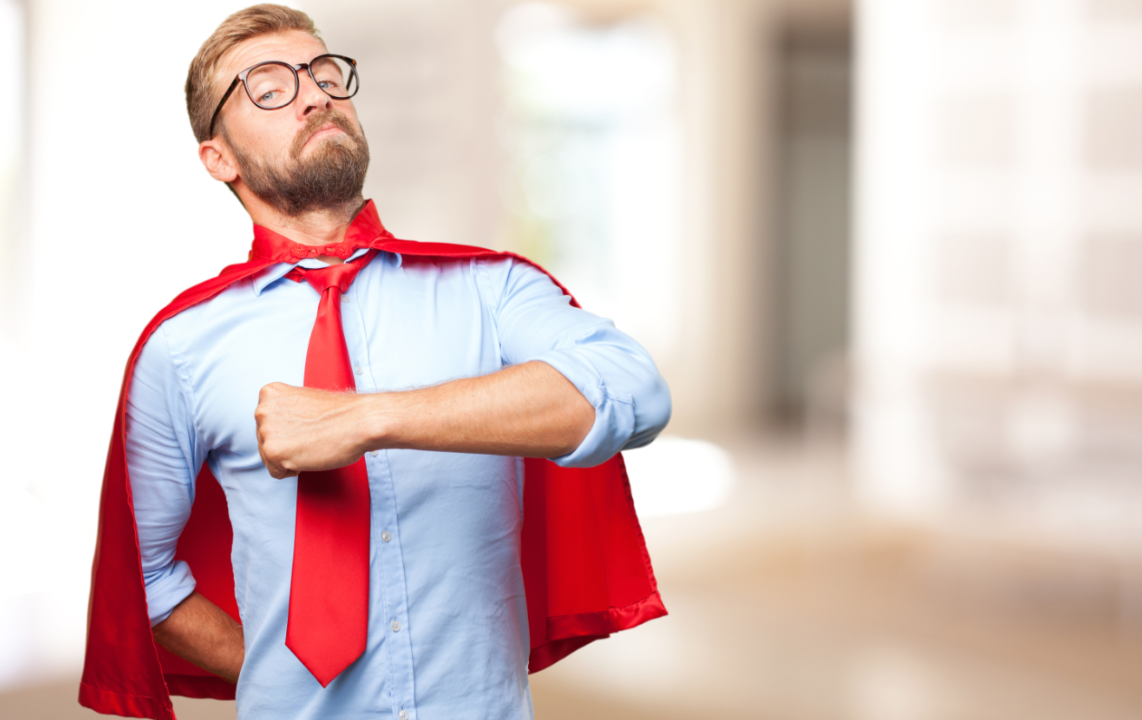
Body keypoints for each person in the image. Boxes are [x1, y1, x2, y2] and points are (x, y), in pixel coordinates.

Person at [80, 5, 670, 720]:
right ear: (219, 157)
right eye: (269, 85)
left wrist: (367, 418)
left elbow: (633, 390)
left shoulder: (492, 289)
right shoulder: (179, 347)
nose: (315, 93)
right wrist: (274, 671)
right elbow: (143, 578)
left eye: (325, 73)